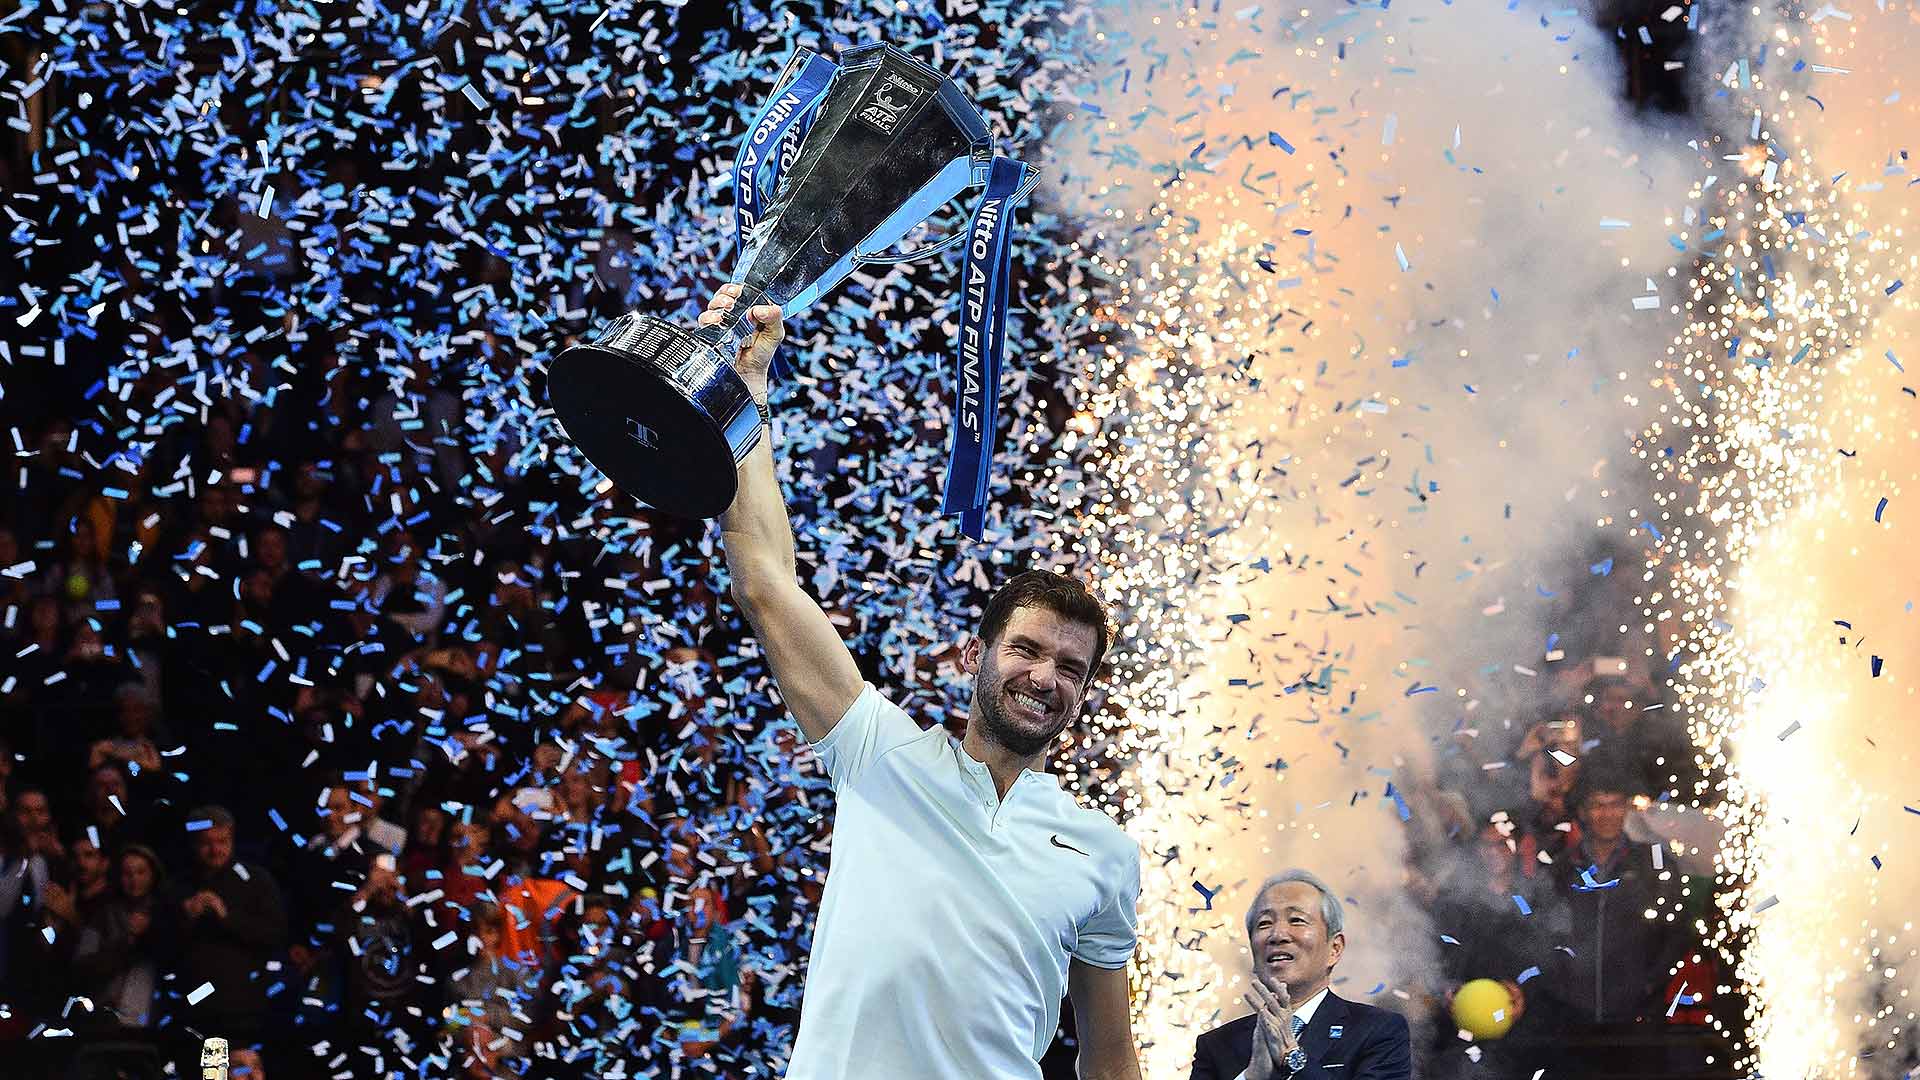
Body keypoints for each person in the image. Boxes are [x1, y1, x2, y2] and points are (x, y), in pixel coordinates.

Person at [703, 283, 1143, 1080]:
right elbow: (765, 582)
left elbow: (1111, 1063)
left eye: (1071, 668)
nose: (1045, 678)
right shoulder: (878, 751)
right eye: (1028, 649)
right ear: (977, 653)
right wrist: (745, 395)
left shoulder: (1104, 853)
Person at [1191, 870, 1411, 1080]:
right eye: (1264, 923)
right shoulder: (1216, 1045)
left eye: (1296, 920)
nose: (1277, 935)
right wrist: (1251, 1076)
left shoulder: (1378, 1031)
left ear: (1334, 949)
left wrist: (1292, 1056)